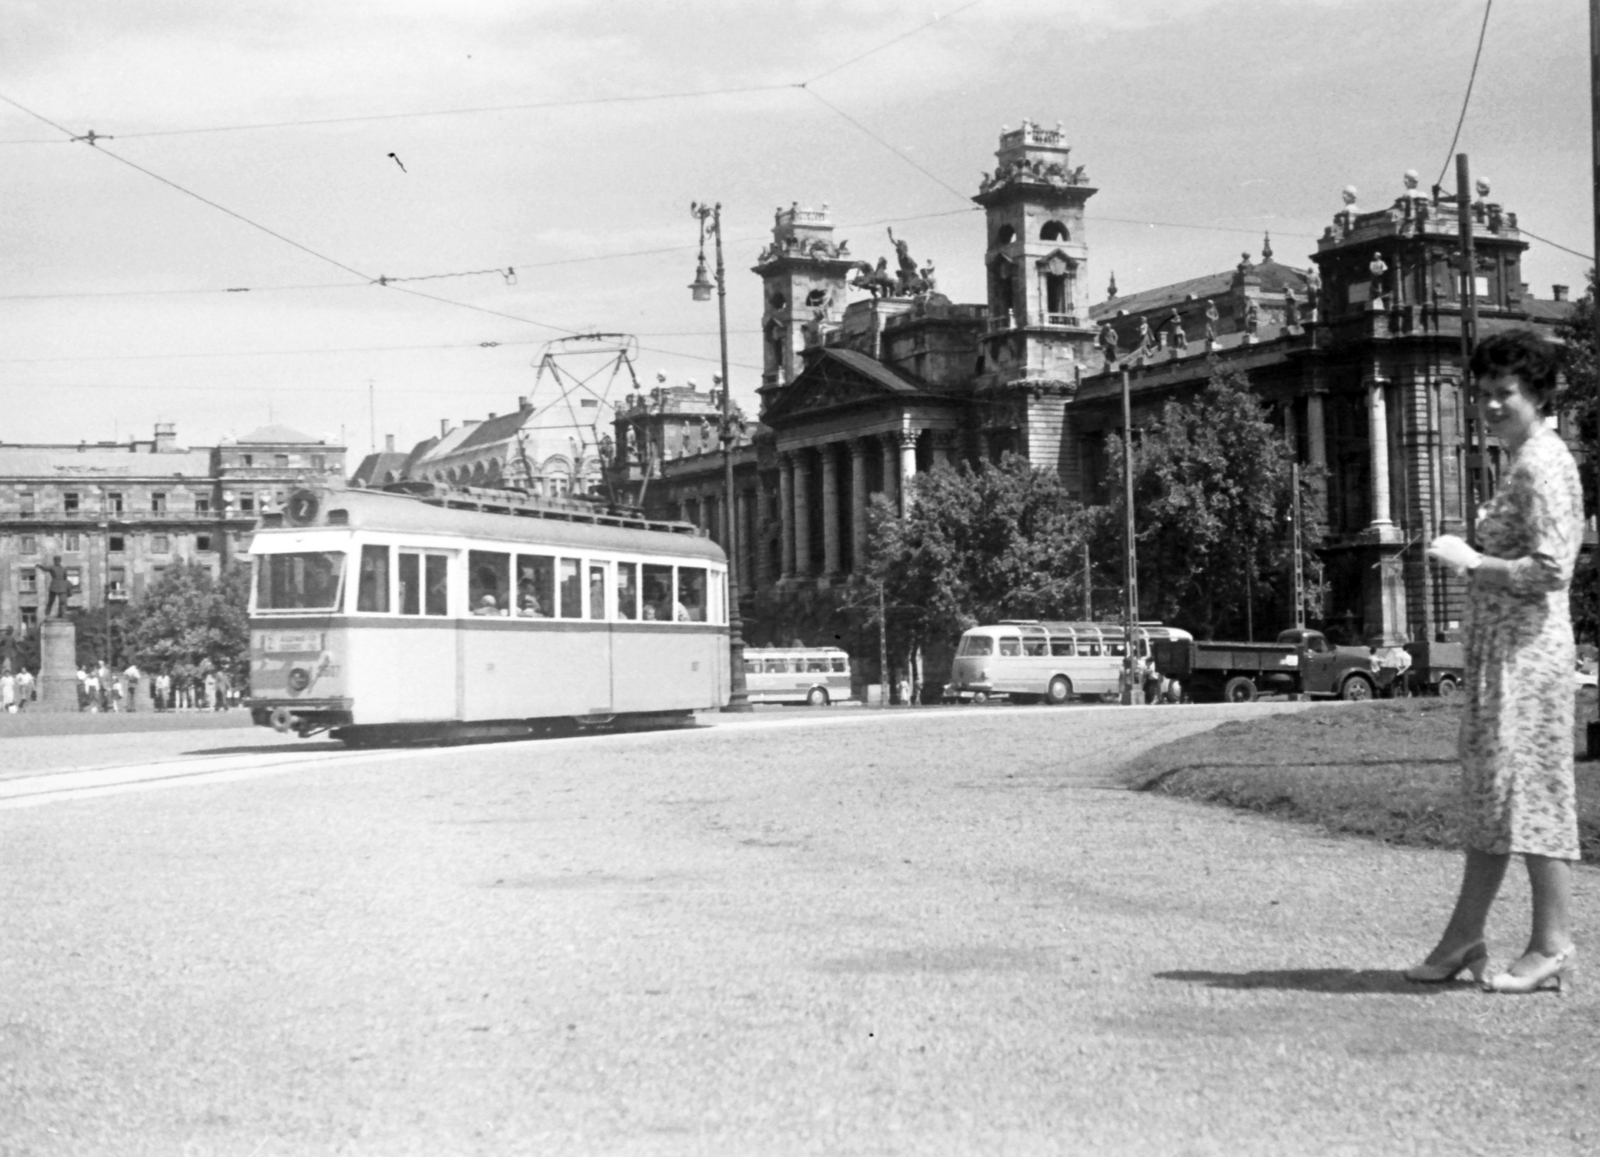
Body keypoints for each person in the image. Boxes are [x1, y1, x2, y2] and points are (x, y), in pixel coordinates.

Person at [1408, 330, 1584, 995]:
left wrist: (1471, 560)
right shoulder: (1520, 459)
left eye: (1502, 394)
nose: (1488, 406)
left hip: (1529, 658)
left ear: (1536, 394)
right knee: (1491, 791)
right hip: (1501, 658)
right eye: (1480, 393)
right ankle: (1464, 937)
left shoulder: (1541, 461)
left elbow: (1552, 566)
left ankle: (1550, 944)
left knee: (1533, 792)